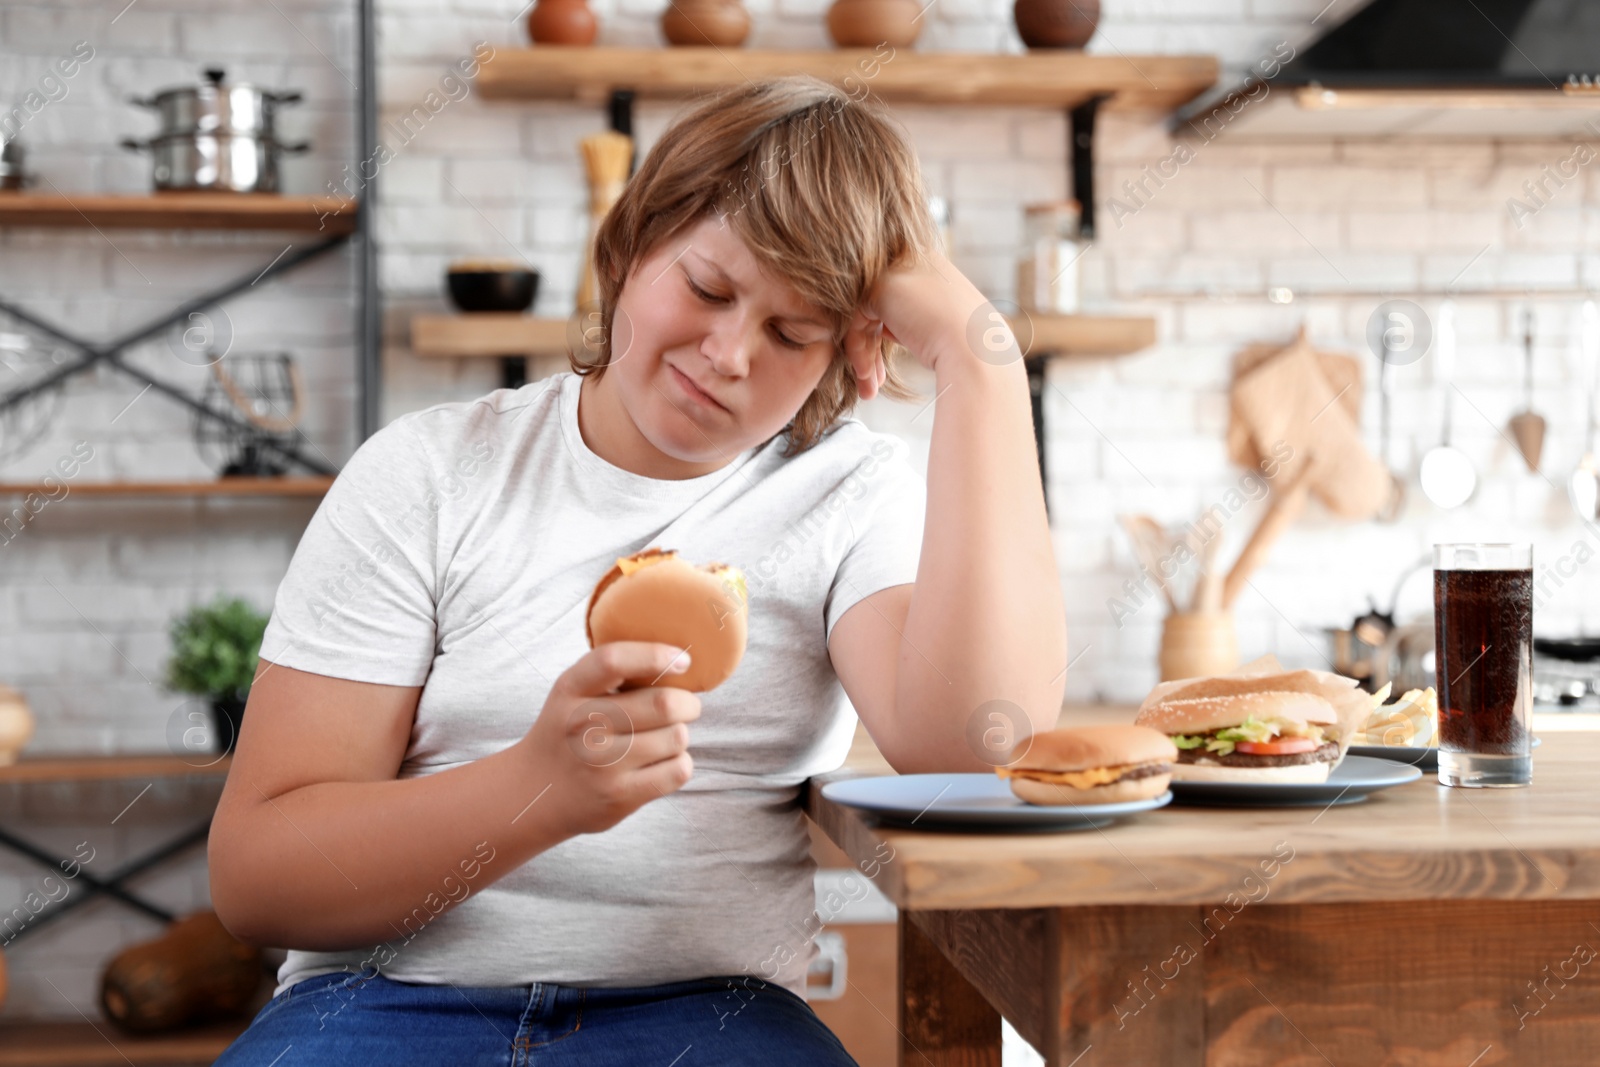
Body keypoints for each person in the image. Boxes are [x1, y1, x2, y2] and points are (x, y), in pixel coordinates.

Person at [209, 74, 1066, 1065]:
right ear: (628, 246)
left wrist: (982, 359)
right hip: (380, 1002)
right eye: (708, 288)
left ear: (850, 350)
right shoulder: (430, 471)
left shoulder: (850, 492)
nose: (729, 352)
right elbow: (255, 879)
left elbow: (978, 751)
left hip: (711, 1013)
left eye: (793, 332)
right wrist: (537, 788)